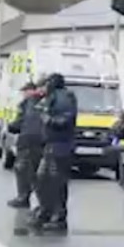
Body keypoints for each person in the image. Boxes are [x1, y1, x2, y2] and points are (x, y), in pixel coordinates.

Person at [32, 73, 77, 232]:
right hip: (52, 144)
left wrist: (47, 119)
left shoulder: (64, 98)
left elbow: (64, 120)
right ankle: (46, 210)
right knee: (43, 178)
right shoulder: (53, 97)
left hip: (60, 145)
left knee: (56, 181)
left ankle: (58, 215)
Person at [6, 82, 47, 235]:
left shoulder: (37, 103)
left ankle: (28, 198)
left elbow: (29, 122)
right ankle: (23, 196)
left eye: (27, 91)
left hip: (33, 141)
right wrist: (13, 126)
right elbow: (21, 121)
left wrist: (15, 126)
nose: (25, 93)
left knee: (29, 171)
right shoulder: (28, 103)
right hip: (26, 140)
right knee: (22, 169)